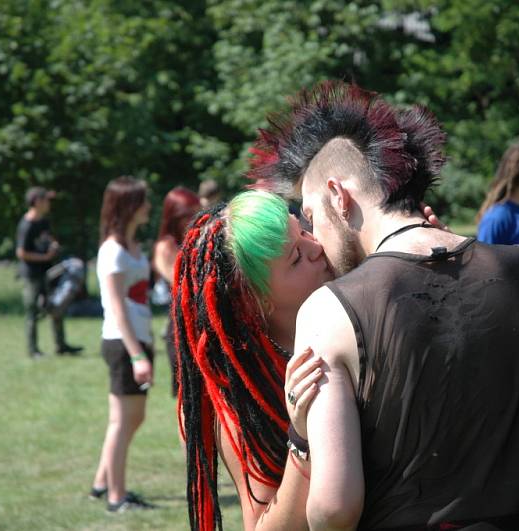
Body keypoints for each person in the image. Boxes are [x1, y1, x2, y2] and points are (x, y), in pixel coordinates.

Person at [248, 81, 519, 529]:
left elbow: (334, 509)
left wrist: (302, 433)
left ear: (338, 194)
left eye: (311, 218)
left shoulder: (329, 310)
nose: (318, 243)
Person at [172, 189, 445, 530]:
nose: (317, 248)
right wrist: (301, 441)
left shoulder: (358, 289)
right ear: (255, 302)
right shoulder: (246, 398)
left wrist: (429, 259)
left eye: (303, 230)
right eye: (296, 258)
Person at [89, 176, 157, 513]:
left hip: (137, 341)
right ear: (128, 206)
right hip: (123, 344)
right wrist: (137, 356)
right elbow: (116, 306)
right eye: (142, 200)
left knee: (131, 418)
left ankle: (101, 484)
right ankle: (117, 498)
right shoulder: (112, 251)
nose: (148, 206)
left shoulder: (133, 247)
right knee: (122, 420)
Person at [15, 186, 82, 358]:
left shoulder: (43, 221)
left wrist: (53, 245)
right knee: (33, 312)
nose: (48, 203)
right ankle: (33, 350)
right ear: (37, 201)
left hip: (48, 271)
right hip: (32, 274)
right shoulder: (26, 225)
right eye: (45, 200)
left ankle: (61, 345)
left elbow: (49, 237)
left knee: (56, 306)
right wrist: (44, 257)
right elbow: (21, 253)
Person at [152, 186, 201, 396]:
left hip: (199, 321)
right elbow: (182, 284)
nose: (195, 219)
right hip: (183, 323)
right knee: (188, 395)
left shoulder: (193, 238)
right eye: (188, 215)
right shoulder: (166, 246)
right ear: (174, 217)